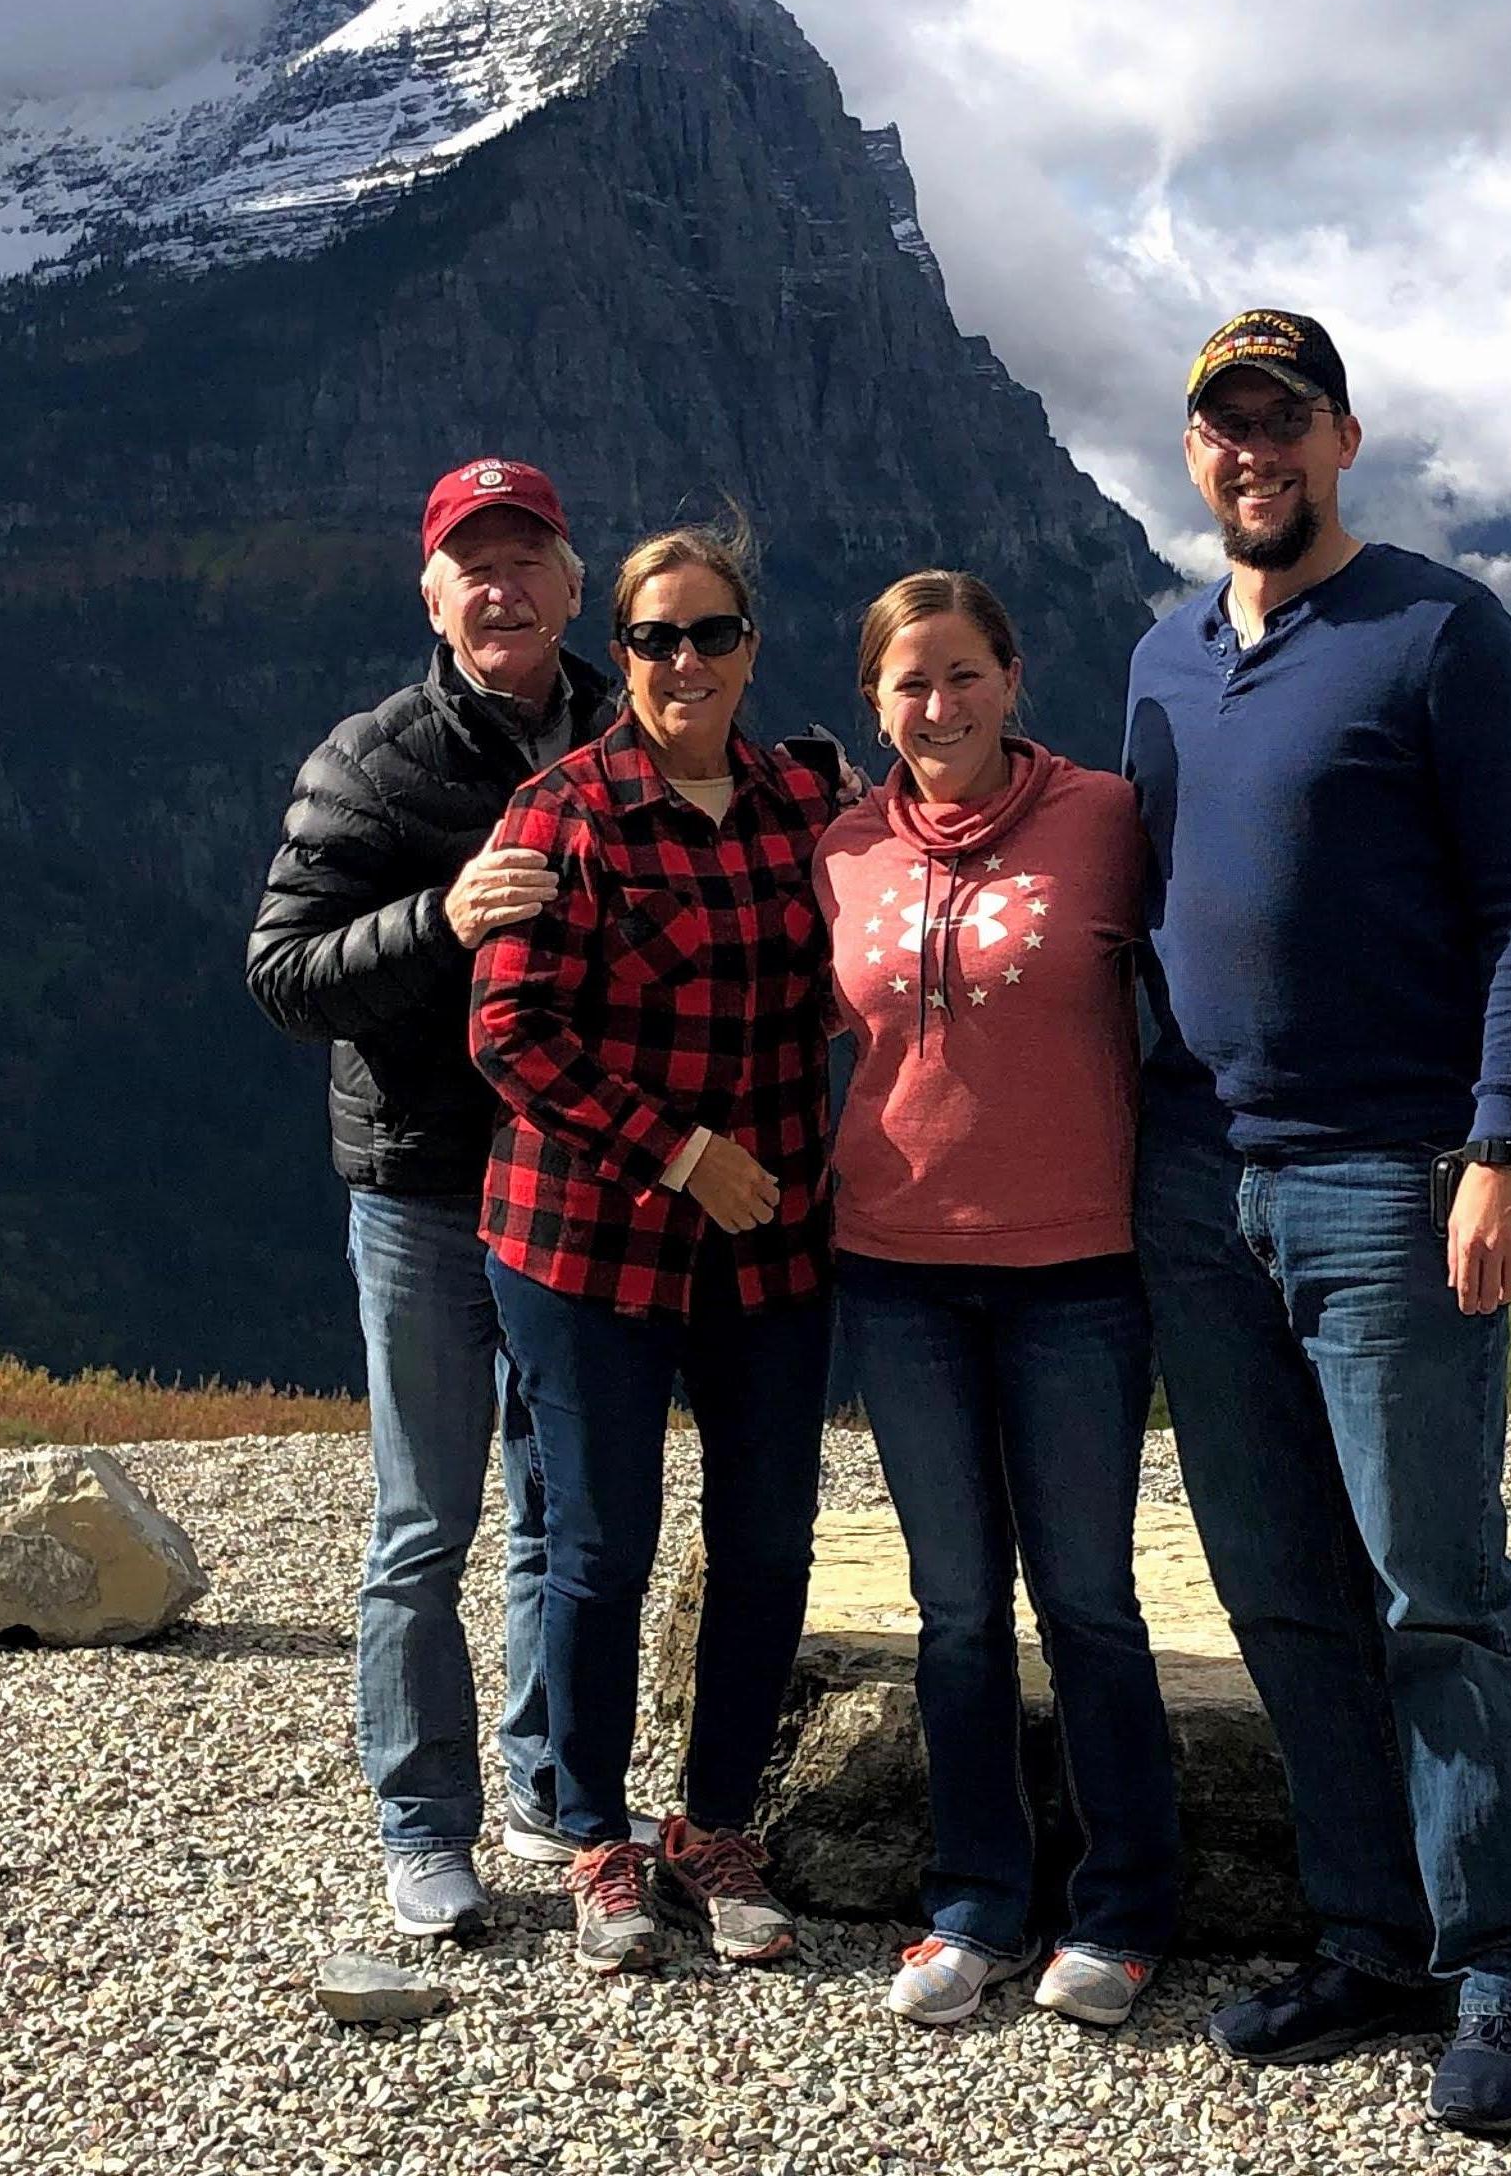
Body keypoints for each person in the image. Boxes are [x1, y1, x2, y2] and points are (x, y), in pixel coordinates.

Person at [1124, 309, 1511, 2139]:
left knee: (1437, 1591)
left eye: (1287, 422)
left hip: (1391, 1180)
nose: (1258, 455)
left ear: (1344, 437)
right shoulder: (1161, 655)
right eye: (1227, 428)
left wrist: (1502, 1144)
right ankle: (1367, 1935)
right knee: (1282, 1592)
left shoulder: (1442, 632)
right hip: (1195, 1186)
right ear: (1194, 455)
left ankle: (1509, 1962)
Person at [469, 517, 847, 1976]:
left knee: (767, 1541)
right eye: (652, 637)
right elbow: (509, 1038)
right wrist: (683, 1156)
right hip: (586, 1243)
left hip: (772, 1240)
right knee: (602, 1547)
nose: (683, 661)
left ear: (752, 645)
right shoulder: (560, 811)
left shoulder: (805, 793)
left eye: (711, 633)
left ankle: (717, 1824)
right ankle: (596, 1835)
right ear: (616, 650)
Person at [245, 458, 610, 1942]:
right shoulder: (370, 762)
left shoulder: (627, 725)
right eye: (475, 564)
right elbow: (282, 978)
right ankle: (420, 1823)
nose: (502, 586)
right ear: (432, 594)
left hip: (581, 1179)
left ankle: (542, 1781)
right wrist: (439, 920)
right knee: (422, 1524)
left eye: (528, 559)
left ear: (574, 584)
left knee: (554, 1508)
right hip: (423, 1191)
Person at [818, 571, 1181, 2031]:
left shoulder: (1101, 820)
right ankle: (973, 1903)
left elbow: (1203, 981)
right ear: (874, 702)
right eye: (912, 682)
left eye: (965, 674)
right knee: (955, 1606)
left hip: (1080, 1273)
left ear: (1014, 678)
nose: (940, 706)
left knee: (1088, 1599)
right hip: (896, 1270)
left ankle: (1126, 1906)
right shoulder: (837, 849)